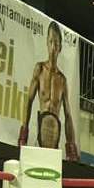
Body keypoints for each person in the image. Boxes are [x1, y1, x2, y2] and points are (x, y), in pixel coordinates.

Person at [18, 21, 78, 160]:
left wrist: (71, 147)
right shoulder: (39, 69)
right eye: (51, 42)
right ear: (46, 42)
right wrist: (24, 133)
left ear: (60, 47)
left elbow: (68, 115)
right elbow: (29, 100)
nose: (53, 47)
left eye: (56, 43)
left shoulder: (62, 80)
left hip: (55, 133)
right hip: (41, 127)